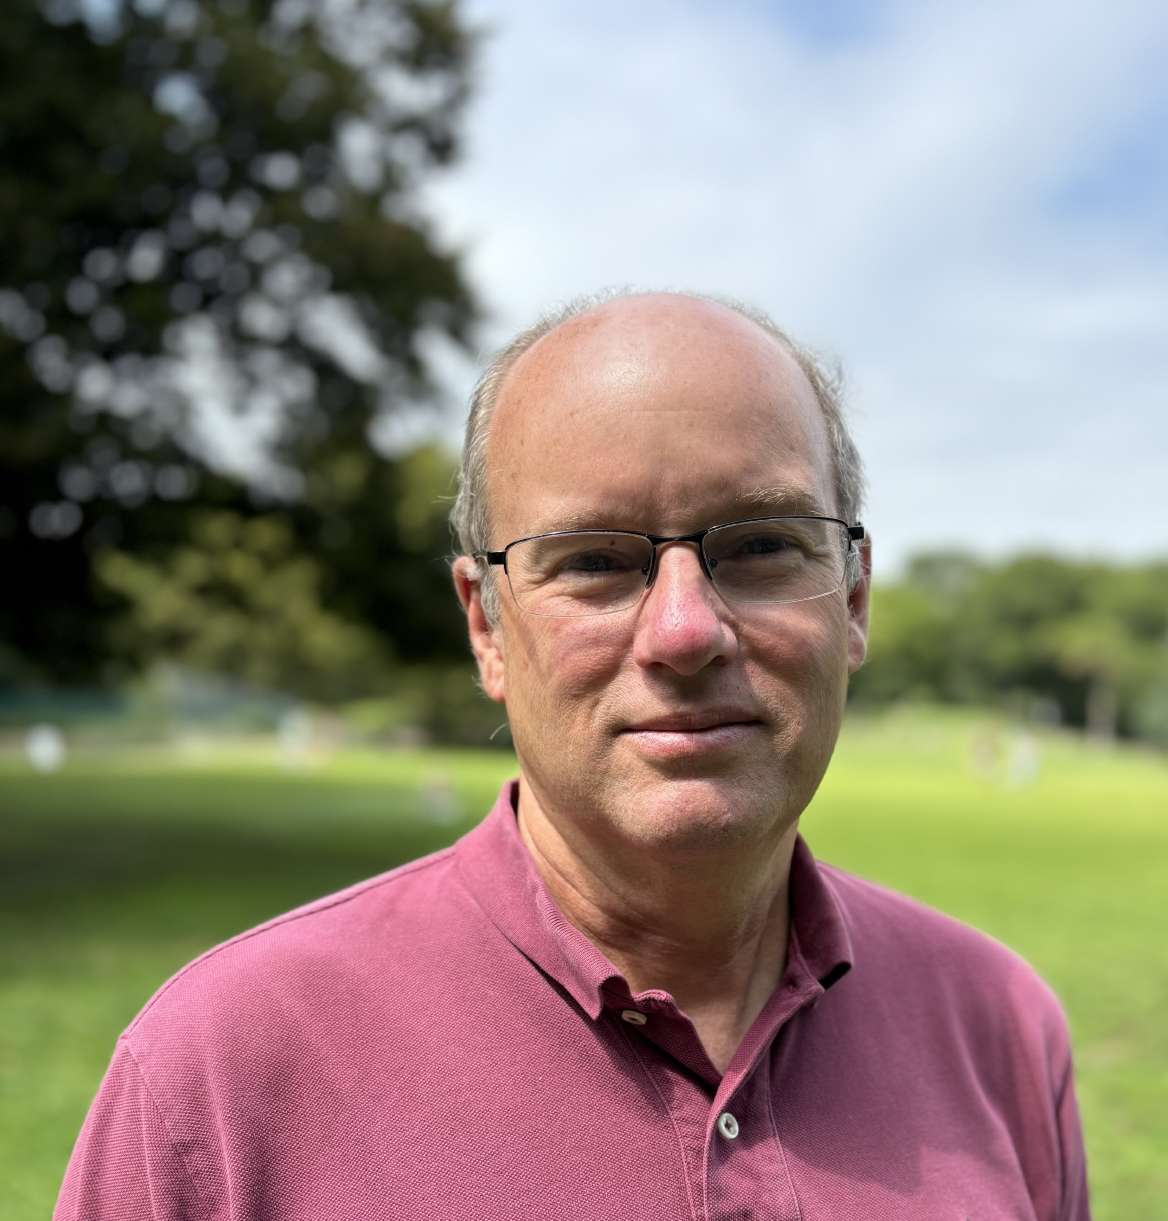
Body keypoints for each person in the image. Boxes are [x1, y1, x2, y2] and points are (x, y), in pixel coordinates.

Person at [56, 291, 1089, 1219]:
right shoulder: (222, 1075)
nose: (685, 630)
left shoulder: (995, 1026)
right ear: (487, 625)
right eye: (593, 561)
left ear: (852, 599)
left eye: (763, 546)